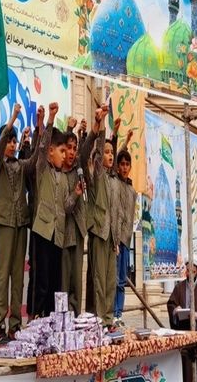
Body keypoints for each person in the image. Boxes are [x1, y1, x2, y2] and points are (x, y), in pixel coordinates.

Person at [0, 103, 41, 342]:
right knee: (3, 277)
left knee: (17, 278)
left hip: (22, 224)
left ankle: (15, 325)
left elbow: (33, 161)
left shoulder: (20, 166)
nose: (11, 144)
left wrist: (41, 128)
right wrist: (12, 118)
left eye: (14, 141)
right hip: (5, 224)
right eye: (9, 141)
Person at [30, 102, 83, 318]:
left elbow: (67, 208)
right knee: (40, 281)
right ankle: (34, 320)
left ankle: (51, 322)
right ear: (51, 152)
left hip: (58, 235)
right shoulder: (42, 168)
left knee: (54, 282)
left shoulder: (63, 178)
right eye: (61, 151)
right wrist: (50, 119)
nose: (64, 155)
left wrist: (76, 194)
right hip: (42, 231)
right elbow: (41, 148)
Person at [86, 105, 120, 327]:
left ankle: (108, 318)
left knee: (110, 280)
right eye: (106, 153)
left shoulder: (113, 179)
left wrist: (115, 136)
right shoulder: (98, 175)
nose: (109, 156)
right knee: (98, 279)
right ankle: (98, 318)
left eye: (111, 153)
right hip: (98, 231)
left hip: (111, 237)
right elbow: (98, 153)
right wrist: (102, 130)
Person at [60, 116, 95, 316]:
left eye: (74, 148)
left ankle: (75, 320)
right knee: (64, 282)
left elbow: (86, 149)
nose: (72, 152)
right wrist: (75, 194)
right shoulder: (57, 174)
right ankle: (63, 320)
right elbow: (64, 207)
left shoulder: (78, 170)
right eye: (69, 148)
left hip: (79, 231)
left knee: (77, 284)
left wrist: (93, 126)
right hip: (63, 234)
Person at [167, 255, 197, 381]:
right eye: (188, 271)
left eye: (193, 271)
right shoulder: (179, 288)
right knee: (185, 371)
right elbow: (171, 304)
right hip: (183, 333)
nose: (190, 274)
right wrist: (175, 311)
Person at [113, 129, 137, 327]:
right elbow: (113, 160)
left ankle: (119, 315)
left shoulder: (132, 190)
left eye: (127, 164)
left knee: (122, 280)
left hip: (126, 240)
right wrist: (126, 141)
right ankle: (112, 313)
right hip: (115, 239)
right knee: (113, 279)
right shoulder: (114, 181)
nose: (124, 167)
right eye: (121, 164)